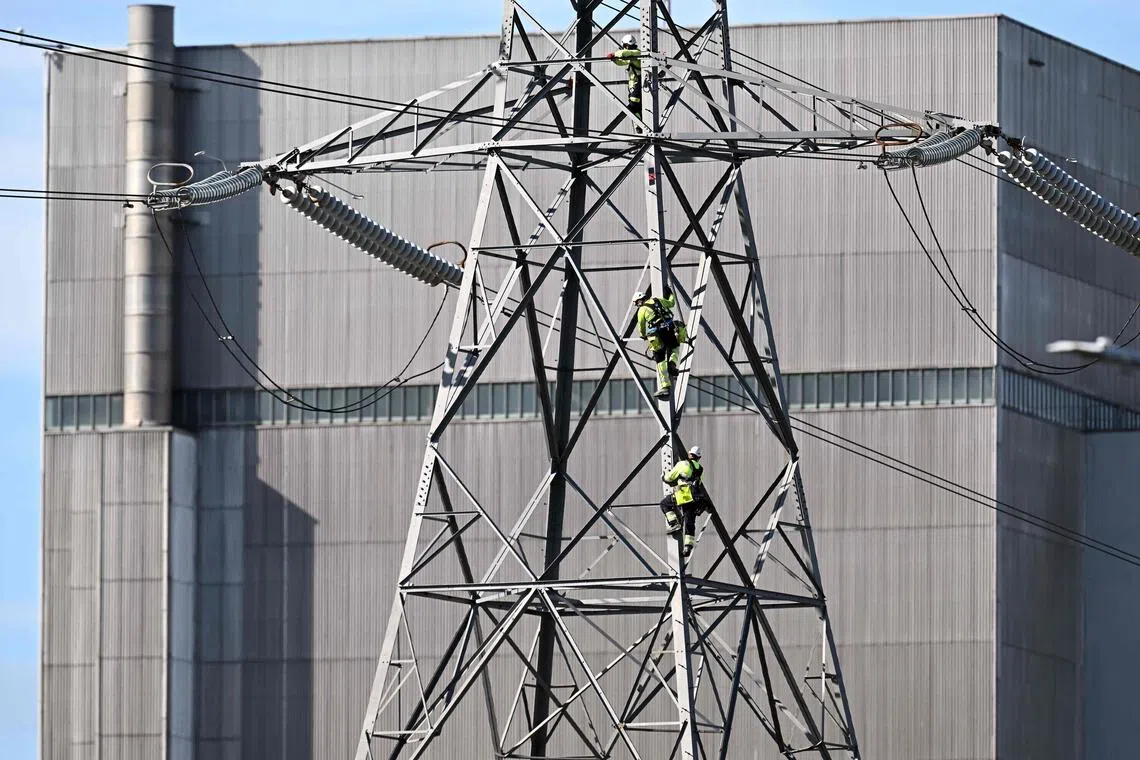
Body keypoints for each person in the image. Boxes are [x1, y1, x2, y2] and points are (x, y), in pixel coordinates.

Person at [634, 285, 687, 399]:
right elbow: (671, 303)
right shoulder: (658, 300)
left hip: (656, 334)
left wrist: (643, 336)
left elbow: (642, 327)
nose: (637, 305)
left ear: (640, 300)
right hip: (669, 328)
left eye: (637, 303)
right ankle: (672, 363)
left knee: (660, 360)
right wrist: (670, 293)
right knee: (674, 346)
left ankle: (665, 387)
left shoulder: (641, 310)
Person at [660, 446, 708, 561]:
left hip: (682, 495)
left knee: (665, 504)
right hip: (695, 499)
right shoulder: (701, 469)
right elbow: (699, 483)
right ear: (699, 457)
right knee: (690, 523)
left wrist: (663, 476)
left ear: (689, 454)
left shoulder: (683, 464)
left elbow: (670, 477)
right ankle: (688, 547)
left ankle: (674, 523)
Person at [606, 34, 642, 119]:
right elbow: (621, 62)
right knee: (635, 104)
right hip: (633, 83)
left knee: (634, 103)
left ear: (625, 45)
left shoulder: (637, 53)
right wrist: (614, 60)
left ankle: (639, 122)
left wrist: (614, 54)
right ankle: (639, 125)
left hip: (640, 82)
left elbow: (624, 53)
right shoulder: (631, 56)